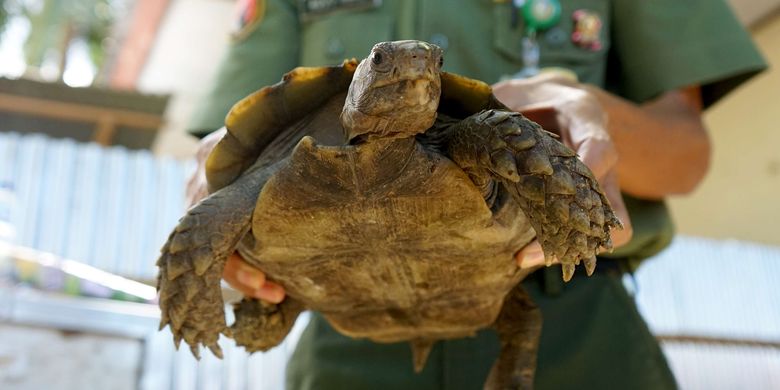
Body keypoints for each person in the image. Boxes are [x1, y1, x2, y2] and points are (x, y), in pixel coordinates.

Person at [186, 1, 766, 388]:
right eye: (388, 65)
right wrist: (204, 207)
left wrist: (579, 110)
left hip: (565, 313)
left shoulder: (478, 135)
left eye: (427, 68)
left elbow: (686, 154)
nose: (414, 71)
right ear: (365, 76)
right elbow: (225, 143)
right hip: (340, 329)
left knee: (495, 137)